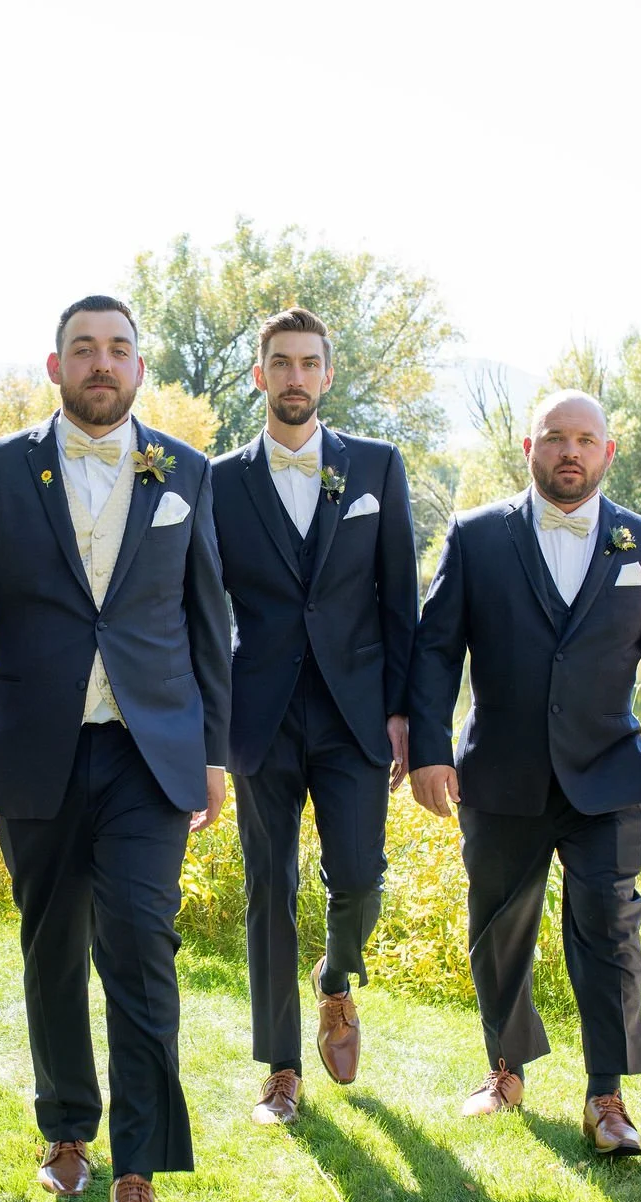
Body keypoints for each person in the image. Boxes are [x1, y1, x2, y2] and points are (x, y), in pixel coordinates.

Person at [0, 295, 230, 1202]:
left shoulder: (184, 470)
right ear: (54, 366)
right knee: (51, 946)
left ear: (140, 367)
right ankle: (67, 1126)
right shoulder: (0, 470)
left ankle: (137, 1170)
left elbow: (207, 615)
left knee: (140, 941)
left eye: (119, 350)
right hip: (35, 744)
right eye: (84, 350)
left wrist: (216, 750)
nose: (103, 364)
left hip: (150, 751)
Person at [408, 390, 641, 1157]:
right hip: (500, 771)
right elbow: (437, 650)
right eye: (555, 439)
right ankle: (504, 1068)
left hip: (607, 774)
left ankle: (606, 1095)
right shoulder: (476, 537)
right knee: (500, 928)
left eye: (585, 439)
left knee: (610, 930)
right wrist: (430, 749)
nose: (569, 452)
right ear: (528, 447)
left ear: (609, 452)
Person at [209, 306, 417, 1124]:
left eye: (309, 363)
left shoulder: (377, 467)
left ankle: (335, 978)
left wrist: (405, 713)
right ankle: (281, 1066)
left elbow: (400, 600)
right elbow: (200, 606)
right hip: (256, 712)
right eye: (280, 363)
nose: (295, 377)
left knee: (361, 878)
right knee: (269, 885)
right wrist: (205, 725)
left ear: (327, 376)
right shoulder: (218, 479)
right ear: (259, 375)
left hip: (355, 714)